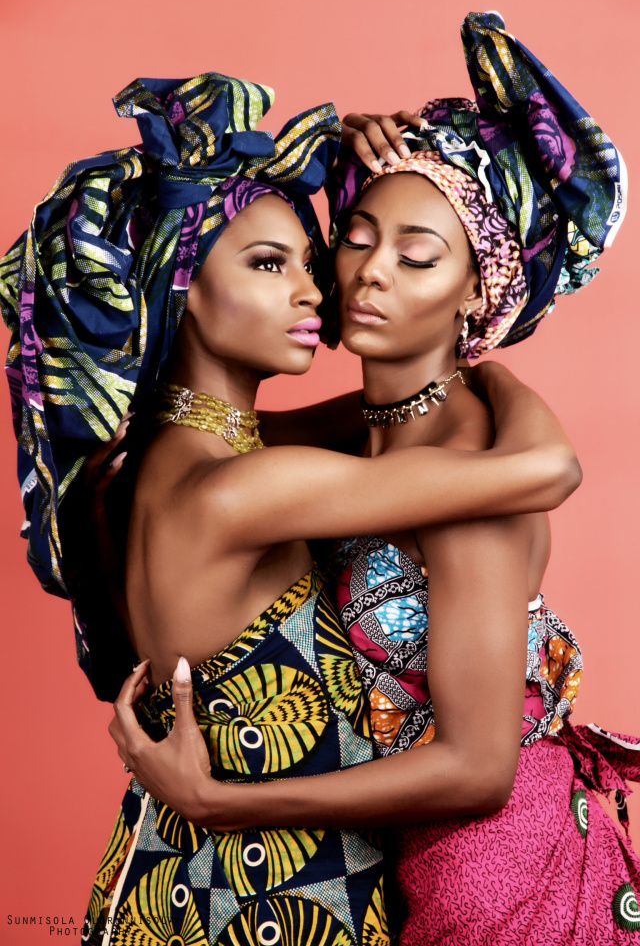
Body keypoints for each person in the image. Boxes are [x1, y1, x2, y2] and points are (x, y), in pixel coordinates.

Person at [1, 63, 578, 945]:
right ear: (182, 286)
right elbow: (546, 467)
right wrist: (489, 367)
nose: (325, 288)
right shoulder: (243, 486)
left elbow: (378, 416)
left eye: (313, 258)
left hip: (176, 877)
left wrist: (369, 179)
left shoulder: (173, 455)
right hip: (278, 893)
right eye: (272, 265)